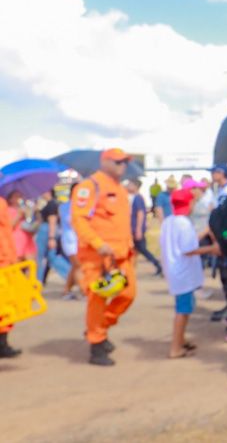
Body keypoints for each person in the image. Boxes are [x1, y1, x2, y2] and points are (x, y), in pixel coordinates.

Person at [70, 148, 136, 366]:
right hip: (97, 256)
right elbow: (79, 221)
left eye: (125, 162)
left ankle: (99, 327)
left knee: (127, 295)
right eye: (118, 161)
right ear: (104, 161)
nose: (122, 165)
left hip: (121, 256)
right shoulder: (89, 187)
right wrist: (98, 244)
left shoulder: (120, 189)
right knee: (97, 300)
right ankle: (96, 344)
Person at [160, 188, 217, 359]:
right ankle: (175, 347)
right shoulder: (183, 223)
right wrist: (212, 249)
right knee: (182, 310)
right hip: (182, 272)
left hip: (176, 269)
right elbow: (188, 249)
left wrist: (205, 231)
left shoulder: (170, 221)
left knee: (186, 307)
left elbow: (187, 243)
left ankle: (181, 339)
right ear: (190, 203)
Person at [209, 165, 227, 323]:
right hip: (222, 237)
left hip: (226, 238)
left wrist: (224, 238)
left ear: (222, 174)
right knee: (225, 274)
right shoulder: (221, 190)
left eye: (215, 172)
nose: (213, 175)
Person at [126, 179, 162, 276]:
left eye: (130, 184)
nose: (128, 186)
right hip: (133, 228)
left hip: (136, 229)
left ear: (135, 186)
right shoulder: (133, 198)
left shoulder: (138, 198)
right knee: (135, 250)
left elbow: (141, 213)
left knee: (143, 249)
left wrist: (138, 229)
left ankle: (158, 264)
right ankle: (131, 269)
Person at [35, 189, 71, 285]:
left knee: (41, 257)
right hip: (49, 230)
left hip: (47, 231)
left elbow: (52, 221)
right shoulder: (49, 204)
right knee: (51, 257)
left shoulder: (52, 204)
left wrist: (51, 238)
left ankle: (38, 280)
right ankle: (70, 275)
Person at [0, 193, 21, 358]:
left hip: (6, 261)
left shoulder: (2, 203)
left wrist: (13, 259)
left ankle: (2, 344)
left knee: (7, 306)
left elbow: (7, 231)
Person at [58, 186, 81, 299]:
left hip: (77, 240)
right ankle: (85, 290)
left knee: (75, 266)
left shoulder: (80, 206)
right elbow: (70, 221)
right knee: (78, 265)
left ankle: (66, 290)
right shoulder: (65, 206)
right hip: (69, 240)